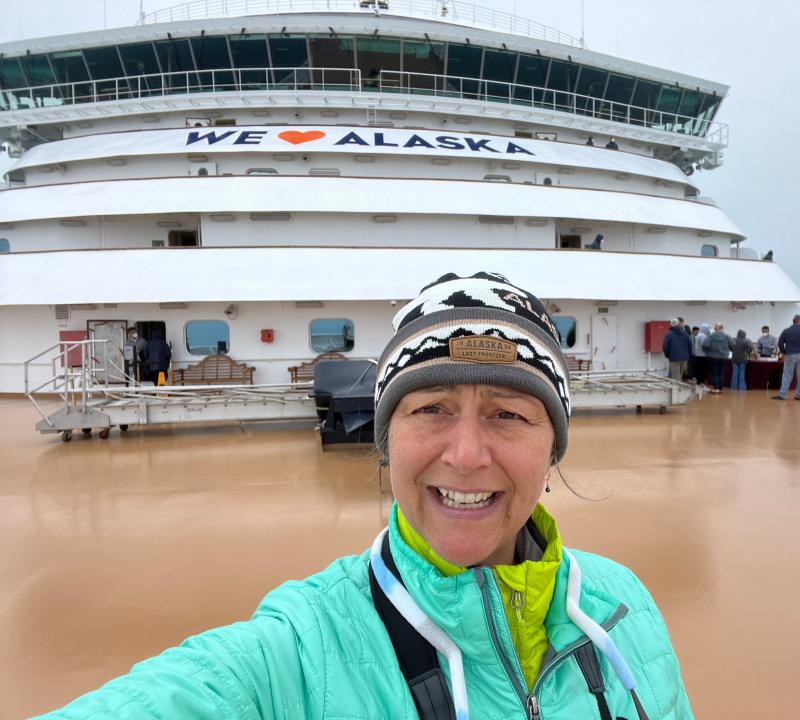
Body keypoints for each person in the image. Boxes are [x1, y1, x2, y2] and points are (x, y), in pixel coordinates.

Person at [41, 272, 693, 720]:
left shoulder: (623, 604)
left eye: (509, 415)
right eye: (432, 408)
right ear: (387, 441)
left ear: (553, 445)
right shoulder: (300, 649)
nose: (466, 456)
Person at [773, 314, 800, 401]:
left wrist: (784, 352)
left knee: (787, 375)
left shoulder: (786, 331)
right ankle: (799, 395)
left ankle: (783, 395)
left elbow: (780, 343)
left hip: (790, 355)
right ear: (799, 321)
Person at [702, 322, 734, 394]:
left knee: (714, 373)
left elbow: (705, 345)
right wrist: (728, 350)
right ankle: (720, 388)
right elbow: (733, 345)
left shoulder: (711, 336)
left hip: (712, 357)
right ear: (722, 328)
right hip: (723, 357)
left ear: (715, 328)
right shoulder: (727, 336)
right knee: (721, 373)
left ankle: (716, 388)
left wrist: (707, 352)